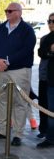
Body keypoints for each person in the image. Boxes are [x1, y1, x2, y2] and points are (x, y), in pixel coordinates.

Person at [0, 2, 36, 146]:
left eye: (10, 11)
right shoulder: (0, 28)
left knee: (19, 102)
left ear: (19, 12)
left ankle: (18, 134)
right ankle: (3, 130)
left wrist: (7, 62)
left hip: (19, 71)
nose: (7, 13)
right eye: (6, 11)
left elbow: (27, 49)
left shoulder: (27, 30)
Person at [37, 12, 54, 148]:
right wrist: (50, 50)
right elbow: (41, 52)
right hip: (47, 78)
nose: (51, 24)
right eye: (49, 21)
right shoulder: (46, 38)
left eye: (53, 21)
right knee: (46, 107)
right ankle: (46, 133)